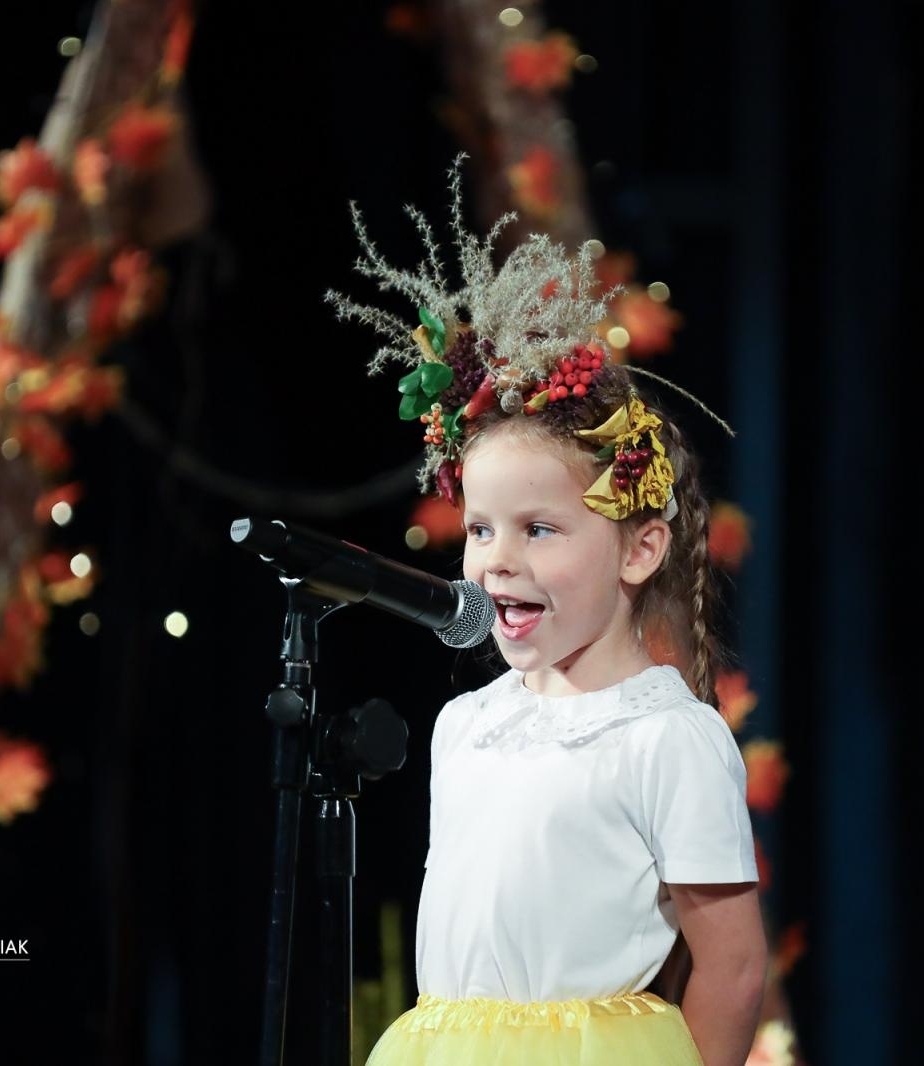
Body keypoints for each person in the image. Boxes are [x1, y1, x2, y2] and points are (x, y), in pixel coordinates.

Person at [327, 160, 766, 1066]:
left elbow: (731, 964)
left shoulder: (667, 737)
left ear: (638, 550)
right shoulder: (464, 723)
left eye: (540, 529)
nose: (498, 561)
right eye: (481, 528)